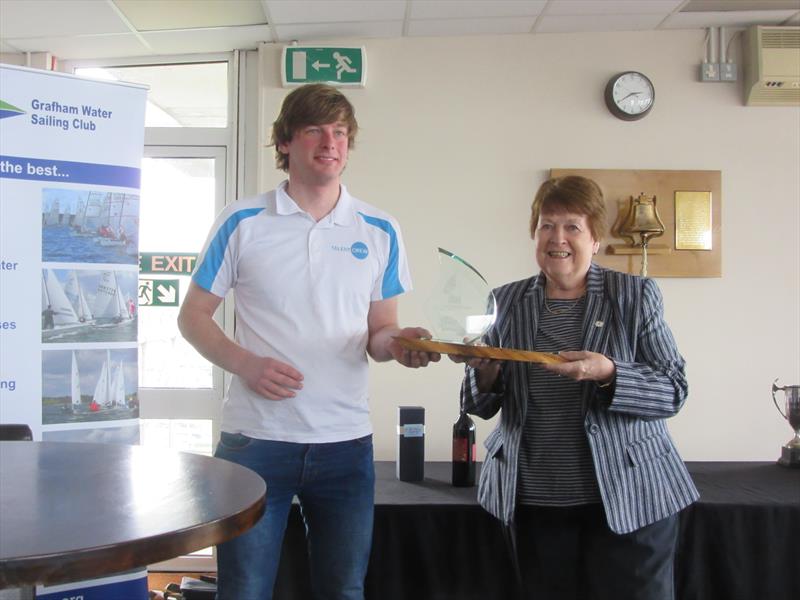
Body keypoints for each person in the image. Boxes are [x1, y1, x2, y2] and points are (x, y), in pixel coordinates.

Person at [177, 83, 439, 600]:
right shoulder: (243, 222)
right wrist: (246, 364)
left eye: (340, 131)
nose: (330, 142)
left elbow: (378, 331)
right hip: (256, 442)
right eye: (315, 130)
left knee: (343, 590)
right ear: (285, 143)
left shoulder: (380, 228)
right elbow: (193, 317)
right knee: (244, 591)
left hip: (345, 443)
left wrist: (400, 343)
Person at [451, 175, 698, 600]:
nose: (557, 238)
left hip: (630, 500)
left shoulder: (635, 296)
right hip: (536, 502)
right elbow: (479, 403)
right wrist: (485, 372)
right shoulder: (505, 302)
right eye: (546, 225)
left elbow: (673, 389)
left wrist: (610, 373)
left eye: (572, 227)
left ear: (595, 239)